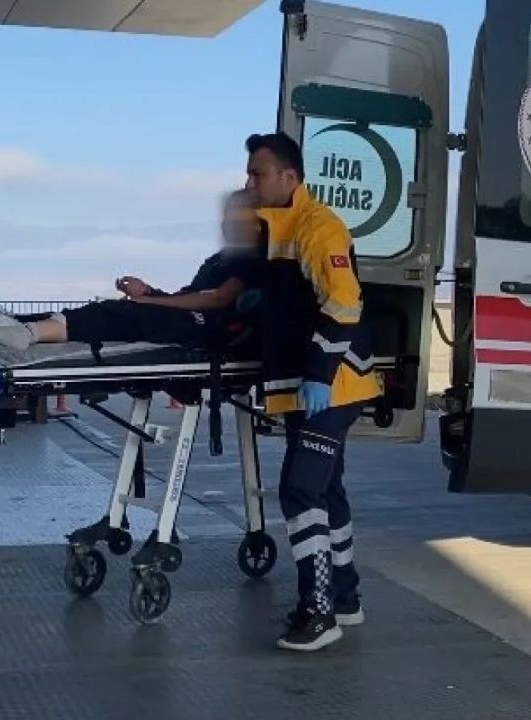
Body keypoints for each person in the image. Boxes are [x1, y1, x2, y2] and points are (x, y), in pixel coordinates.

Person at [243, 132, 382, 652]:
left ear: (289, 177)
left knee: (301, 490)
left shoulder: (318, 227)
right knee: (326, 490)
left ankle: (319, 610)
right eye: (249, 173)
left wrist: (321, 372)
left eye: (258, 173)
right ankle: (344, 599)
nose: (250, 182)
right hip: (310, 386)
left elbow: (344, 301)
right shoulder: (276, 230)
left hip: (334, 384)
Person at [0, 189, 266, 352]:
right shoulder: (219, 260)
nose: (227, 224)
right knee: (111, 308)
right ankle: (13, 323)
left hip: (208, 331)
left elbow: (217, 299)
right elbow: (189, 298)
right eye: (227, 216)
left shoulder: (255, 260)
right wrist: (149, 292)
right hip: (190, 319)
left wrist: (149, 300)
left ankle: (27, 332)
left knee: (121, 313)